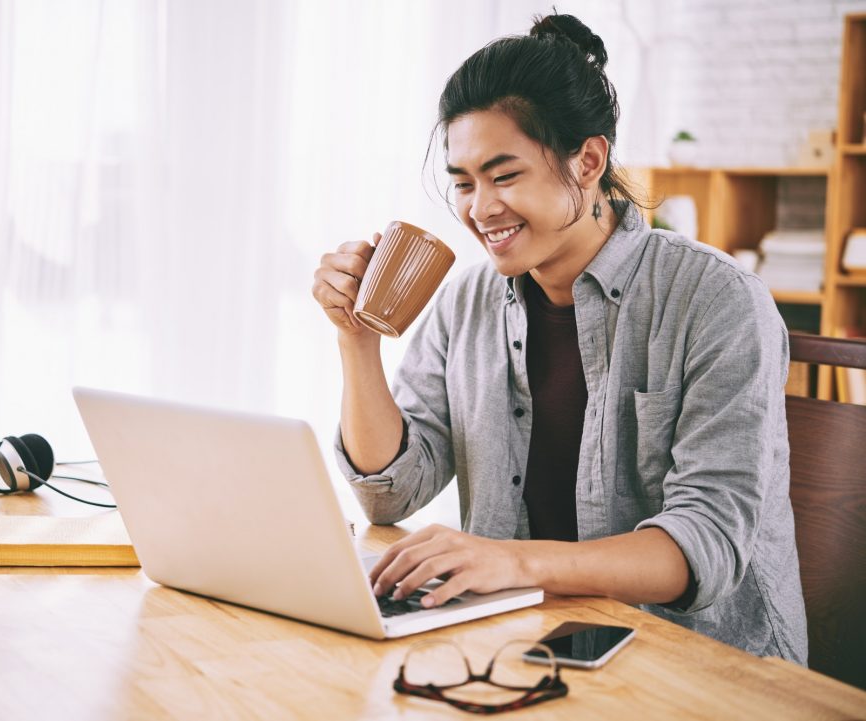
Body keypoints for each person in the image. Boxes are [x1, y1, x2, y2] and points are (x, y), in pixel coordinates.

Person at [310, 13, 806, 663]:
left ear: (588, 160)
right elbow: (389, 489)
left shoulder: (718, 301)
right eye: (463, 182)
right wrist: (356, 339)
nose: (479, 209)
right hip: (525, 647)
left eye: (504, 174)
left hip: (703, 666)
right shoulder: (468, 299)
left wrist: (510, 561)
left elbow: (703, 543)